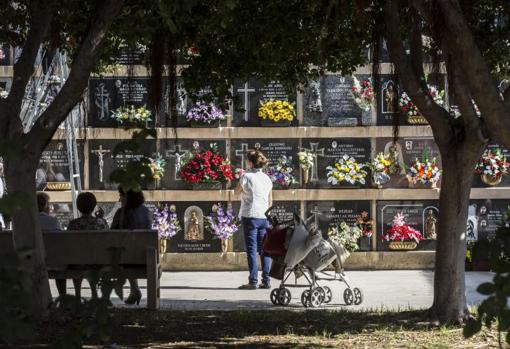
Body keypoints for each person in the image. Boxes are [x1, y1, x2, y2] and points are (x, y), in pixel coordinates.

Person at [234, 149, 273, 290]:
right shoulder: (267, 178)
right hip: (264, 217)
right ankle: (267, 281)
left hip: (250, 215)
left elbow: (235, 192)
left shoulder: (246, 176)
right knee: (264, 250)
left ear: (250, 163)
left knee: (251, 250)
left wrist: (240, 178)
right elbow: (270, 202)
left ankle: (253, 281)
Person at [111, 187, 151, 305]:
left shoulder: (121, 213)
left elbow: (111, 235)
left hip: (125, 259)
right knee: (130, 251)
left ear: (127, 197)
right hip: (145, 258)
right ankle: (135, 290)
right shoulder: (146, 211)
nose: (120, 199)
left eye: (121, 195)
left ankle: (135, 290)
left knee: (124, 251)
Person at [67, 192, 109, 299]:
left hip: (78, 263)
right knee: (91, 257)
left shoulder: (73, 224)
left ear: (78, 207)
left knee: (77, 257)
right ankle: (94, 293)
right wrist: (100, 218)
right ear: (94, 206)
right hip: (98, 262)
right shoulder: (101, 222)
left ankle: (77, 294)